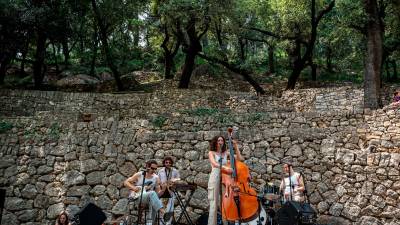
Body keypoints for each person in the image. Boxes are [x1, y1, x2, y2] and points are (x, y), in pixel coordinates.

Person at [207, 134, 243, 225]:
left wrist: (235, 146)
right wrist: (226, 168)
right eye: (218, 140)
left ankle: (225, 223)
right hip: (215, 177)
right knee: (214, 204)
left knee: (225, 203)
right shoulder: (211, 153)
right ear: (215, 142)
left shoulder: (226, 153)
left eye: (222, 141)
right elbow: (214, 164)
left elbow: (240, 159)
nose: (220, 142)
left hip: (225, 179)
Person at [124, 159, 172, 224]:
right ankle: (163, 212)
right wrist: (134, 188)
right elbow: (126, 182)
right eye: (152, 168)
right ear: (147, 167)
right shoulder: (140, 174)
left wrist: (163, 190)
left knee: (154, 199)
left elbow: (158, 194)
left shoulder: (156, 177)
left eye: (155, 169)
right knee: (152, 194)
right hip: (139, 197)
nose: (154, 170)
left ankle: (150, 223)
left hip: (150, 198)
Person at [157, 156, 181, 225]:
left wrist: (173, 181)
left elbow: (178, 179)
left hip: (171, 191)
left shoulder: (174, 171)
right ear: (164, 163)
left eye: (169, 163)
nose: (168, 164)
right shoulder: (160, 171)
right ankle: (161, 223)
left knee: (170, 208)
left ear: (171, 163)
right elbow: (158, 181)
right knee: (162, 207)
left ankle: (168, 223)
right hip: (163, 191)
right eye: (166, 162)